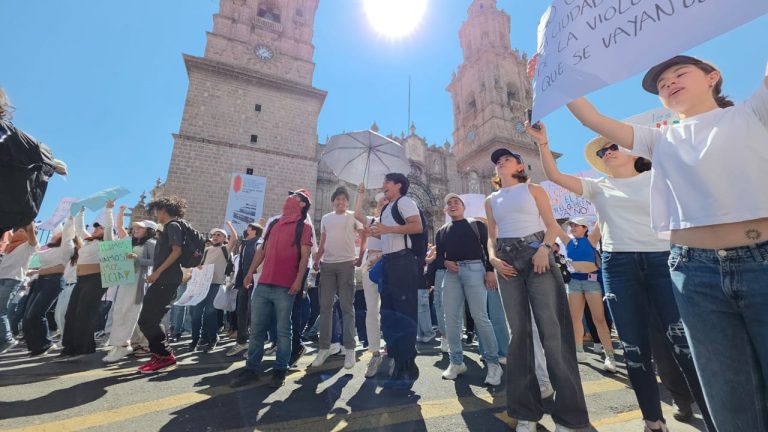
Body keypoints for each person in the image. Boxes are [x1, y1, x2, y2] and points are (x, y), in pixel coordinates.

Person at [565, 55, 768, 431]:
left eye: (680, 73)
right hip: (694, 272)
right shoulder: (658, 139)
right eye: (662, 84)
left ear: (713, 76)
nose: (669, 83)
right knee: (730, 398)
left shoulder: (753, 112)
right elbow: (592, 119)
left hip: (761, 262)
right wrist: (555, 76)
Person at [530, 121, 715, 431]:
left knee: (682, 343)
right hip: (619, 267)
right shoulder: (598, 186)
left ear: (636, 151)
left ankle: (713, 419)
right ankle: (653, 421)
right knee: (634, 348)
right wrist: (543, 143)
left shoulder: (659, 177)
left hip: (662, 261)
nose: (607, 152)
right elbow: (555, 176)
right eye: (603, 151)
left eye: (613, 146)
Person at [485, 148, 589, 432]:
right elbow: (491, 236)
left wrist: (544, 249)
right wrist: (492, 258)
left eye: (506, 158)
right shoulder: (491, 199)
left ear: (519, 165)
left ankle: (570, 417)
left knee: (552, 332)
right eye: (497, 161)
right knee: (518, 335)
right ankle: (525, 413)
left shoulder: (535, 189)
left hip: (536, 254)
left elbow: (552, 226)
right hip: (506, 260)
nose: (500, 162)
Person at [231, 190, 312, 388]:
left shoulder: (305, 227)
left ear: (302, 205)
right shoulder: (274, 224)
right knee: (257, 329)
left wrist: (299, 280)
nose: (288, 201)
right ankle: (251, 369)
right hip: (264, 283)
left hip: (286, 286)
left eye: (294, 199)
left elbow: (305, 256)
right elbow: (263, 249)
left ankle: (280, 370)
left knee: (283, 330)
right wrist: (250, 272)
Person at [435, 193, 502, 386]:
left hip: (475, 269)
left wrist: (490, 271)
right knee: (451, 319)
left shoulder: (476, 224)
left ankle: (493, 364)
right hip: (452, 275)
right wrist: (446, 262)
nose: (452, 205)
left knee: (480, 316)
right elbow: (439, 257)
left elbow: (489, 247)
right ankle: (456, 361)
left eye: (456, 202)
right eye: (449, 203)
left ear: (463, 207)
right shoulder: (442, 231)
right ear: (446, 210)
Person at [366, 173, 423, 390]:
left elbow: (416, 226)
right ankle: (398, 362)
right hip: (389, 263)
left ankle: (407, 365)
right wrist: (375, 233)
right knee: (389, 315)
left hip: (403, 262)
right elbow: (387, 235)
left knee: (404, 314)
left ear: (399, 185)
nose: (384, 186)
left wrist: (387, 229)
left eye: (387, 183)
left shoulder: (405, 202)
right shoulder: (387, 209)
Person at [311, 186, 365, 369]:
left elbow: (364, 233)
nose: (340, 202)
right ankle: (324, 348)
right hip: (327, 266)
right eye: (337, 199)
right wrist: (317, 260)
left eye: (343, 199)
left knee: (346, 307)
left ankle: (349, 349)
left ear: (347, 202)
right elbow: (323, 241)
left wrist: (362, 253)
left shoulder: (352, 216)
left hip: (346, 265)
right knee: (325, 308)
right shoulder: (326, 218)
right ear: (332, 201)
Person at [135, 196, 187, 373]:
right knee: (150, 320)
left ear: (164, 210)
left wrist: (157, 272)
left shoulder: (173, 225)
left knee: (147, 320)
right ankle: (160, 354)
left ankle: (165, 356)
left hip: (166, 280)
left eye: (157, 210)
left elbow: (177, 251)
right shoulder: (168, 227)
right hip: (164, 279)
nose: (156, 214)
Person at [57, 204, 115, 361]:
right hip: (81, 280)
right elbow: (80, 228)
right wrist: (80, 212)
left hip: (96, 279)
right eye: (96, 227)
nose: (96, 229)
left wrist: (109, 210)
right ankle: (69, 346)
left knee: (84, 313)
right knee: (71, 313)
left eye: (99, 228)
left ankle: (85, 347)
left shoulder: (107, 242)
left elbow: (109, 228)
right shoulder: (89, 242)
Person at [559, 217, 617, 372]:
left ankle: (610, 356)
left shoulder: (591, 239)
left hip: (592, 282)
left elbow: (601, 218)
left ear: (585, 228)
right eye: (571, 225)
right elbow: (551, 224)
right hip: (574, 283)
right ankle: (579, 352)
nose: (573, 227)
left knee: (599, 319)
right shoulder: (568, 241)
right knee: (575, 319)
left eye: (576, 225)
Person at [102, 210, 157, 363]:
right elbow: (120, 227)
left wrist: (138, 258)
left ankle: (123, 345)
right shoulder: (131, 242)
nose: (135, 230)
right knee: (119, 310)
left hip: (138, 280)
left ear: (148, 231)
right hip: (125, 279)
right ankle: (119, 344)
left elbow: (155, 262)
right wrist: (115, 210)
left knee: (129, 311)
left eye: (140, 228)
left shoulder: (151, 243)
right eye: (135, 228)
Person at [190, 222, 238, 352]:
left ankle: (212, 338)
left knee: (209, 313)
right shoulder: (206, 250)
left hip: (216, 285)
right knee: (196, 314)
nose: (215, 236)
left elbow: (235, 239)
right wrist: (198, 266)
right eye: (214, 235)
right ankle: (195, 339)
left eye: (219, 235)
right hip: (202, 285)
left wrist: (229, 224)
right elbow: (198, 264)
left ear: (224, 239)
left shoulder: (225, 250)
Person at [0, 223, 38, 354]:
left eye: (22, 230)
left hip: (12, 280)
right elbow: (8, 228)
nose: (17, 232)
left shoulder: (29, 246)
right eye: (17, 230)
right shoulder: (9, 247)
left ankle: (7, 339)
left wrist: (29, 220)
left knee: (1, 310)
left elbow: (32, 233)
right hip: (2, 279)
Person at [226, 223, 263, 357]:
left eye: (248, 228)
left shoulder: (258, 243)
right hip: (243, 283)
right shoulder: (245, 244)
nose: (246, 230)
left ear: (253, 230)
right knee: (241, 312)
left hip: (255, 283)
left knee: (253, 315)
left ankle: (254, 346)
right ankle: (242, 341)